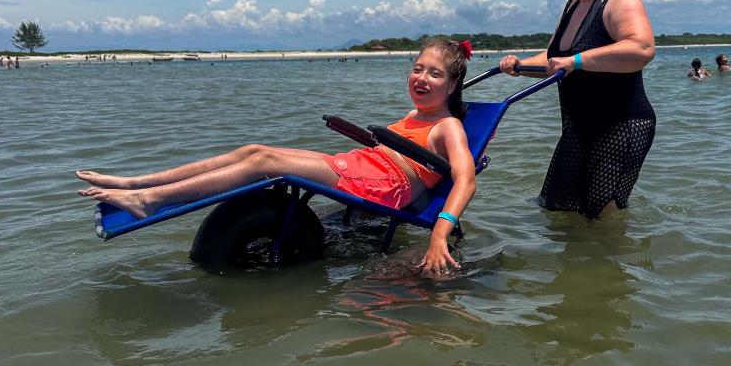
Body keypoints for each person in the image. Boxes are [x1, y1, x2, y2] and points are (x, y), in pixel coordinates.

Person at [77, 39, 477, 274]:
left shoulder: (448, 126)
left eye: (435, 74)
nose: (421, 79)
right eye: (417, 68)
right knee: (255, 150)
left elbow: (465, 178)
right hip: (365, 167)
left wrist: (440, 230)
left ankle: (147, 201)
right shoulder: (414, 115)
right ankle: (138, 183)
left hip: (383, 184)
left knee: (265, 165)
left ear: (453, 83)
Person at [498, 0, 656, 218]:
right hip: (580, 128)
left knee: (599, 215)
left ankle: (609, 263)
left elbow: (642, 48)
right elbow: (555, 57)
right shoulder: (573, 4)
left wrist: (578, 61)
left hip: (620, 126)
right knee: (555, 206)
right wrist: (520, 65)